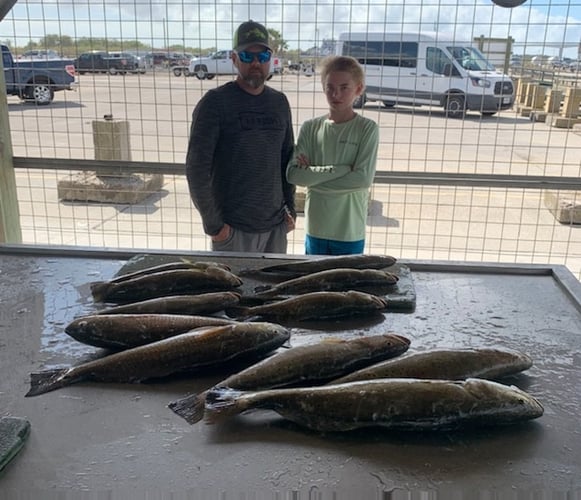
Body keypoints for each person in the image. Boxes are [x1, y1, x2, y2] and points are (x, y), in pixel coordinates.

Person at [185, 20, 296, 253]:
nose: (256, 63)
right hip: (233, 231)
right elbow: (197, 167)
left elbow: (287, 159)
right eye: (247, 56)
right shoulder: (214, 103)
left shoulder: (279, 102)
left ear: (271, 59)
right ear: (234, 59)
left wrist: (291, 208)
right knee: (233, 289)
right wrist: (215, 226)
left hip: (276, 228)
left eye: (263, 56)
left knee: (274, 288)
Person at [286, 55, 379, 255]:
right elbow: (294, 175)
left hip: (349, 232)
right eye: (330, 87)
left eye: (344, 87)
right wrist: (342, 169)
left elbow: (362, 180)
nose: (336, 94)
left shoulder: (366, 128)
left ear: (359, 89)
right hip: (316, 229)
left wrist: (314, 178)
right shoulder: (311, 128)